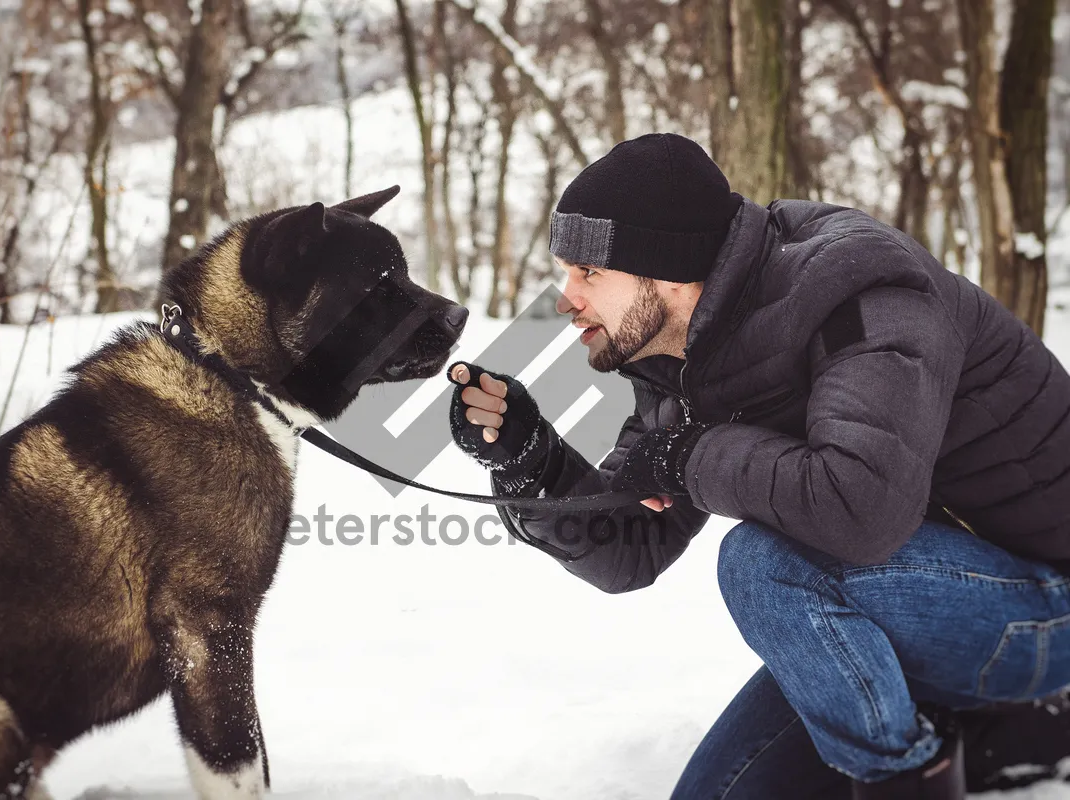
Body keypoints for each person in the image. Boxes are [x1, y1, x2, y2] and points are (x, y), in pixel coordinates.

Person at [445, 133, 1070, 799]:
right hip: (898, 612)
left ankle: (916, 770)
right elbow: (634, 544)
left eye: (589, 273)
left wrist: (685, 457)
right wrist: (527, 461)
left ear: (669, 272)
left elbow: (861, 511)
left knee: (763, 562)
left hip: (1042, 606)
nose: (567, 296)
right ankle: (992, 728)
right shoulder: (676, 353)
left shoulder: (864, 293)